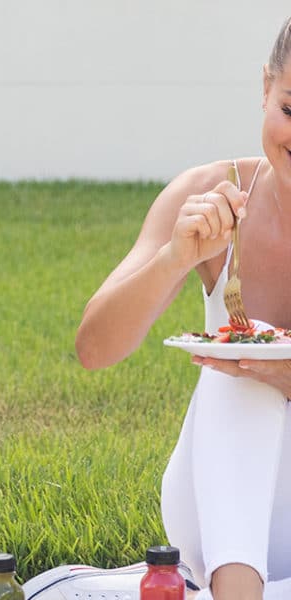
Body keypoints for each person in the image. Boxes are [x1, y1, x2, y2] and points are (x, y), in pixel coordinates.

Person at [76, 15, 291, 600]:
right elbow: (94, 349)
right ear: (265, 87)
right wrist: (175, 257)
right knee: (234, 366)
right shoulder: (207, 191)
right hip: (222, 528)